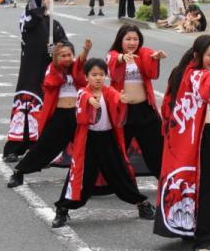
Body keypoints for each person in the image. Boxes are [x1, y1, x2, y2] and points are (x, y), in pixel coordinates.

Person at [155, 35, 210, 251]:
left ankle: (189, 229)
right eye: (209, 55)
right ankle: (205, 240)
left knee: (195, 186)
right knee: (209, 188)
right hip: (201, 138)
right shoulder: (193, 74)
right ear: (197, 54)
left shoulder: (179, 73)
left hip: (187, 139)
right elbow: (208, 79)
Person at [47, 58, 156, 228]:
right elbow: (83, 99)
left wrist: (121, 98)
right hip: (89, 141)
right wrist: (90, 101)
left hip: (107, 140)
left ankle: (141, 204)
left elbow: (116, 98)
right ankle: (62, 209)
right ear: (86, 76)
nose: (98, 78)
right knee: (80, 176)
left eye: (101, 74)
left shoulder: (108, 91)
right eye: (94, 75)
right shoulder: (83, 93)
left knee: (120, 173)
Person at [7, 38, 92, 186]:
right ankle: (19, 172)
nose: (66, 58)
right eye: (62, 55)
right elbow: (49, 83)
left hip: (78, 115)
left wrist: (85, 50)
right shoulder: (52, 69)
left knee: (90, 147)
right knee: (44, 147)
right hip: (60, 116)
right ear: (56, 57)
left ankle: (93, 181)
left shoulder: (76, 68)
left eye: (69, 55)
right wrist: (59, 70)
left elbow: (81, 67)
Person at [2, 0, 69, 162]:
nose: (45, 0)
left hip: (49, 74)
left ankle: (43, 150)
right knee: (26, 108)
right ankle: (14, 148)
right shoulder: (28, 19)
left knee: (50, 110)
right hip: (30, 72)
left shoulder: (54, 24)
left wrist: (56, 49)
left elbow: (67, 46)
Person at [106, 24, 166, 177]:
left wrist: (156, 57)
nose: (132, 42)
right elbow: (111, 60)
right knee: (116, 150)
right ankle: (108, 183)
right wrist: (121, 58)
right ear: (120, 40)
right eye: (128, 39)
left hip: (145, 110)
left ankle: (166, 180)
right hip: (123, 113)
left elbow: (151, 62)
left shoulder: (143, 53)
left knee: (156, 148)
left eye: (136, 39)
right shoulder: (114, 54)